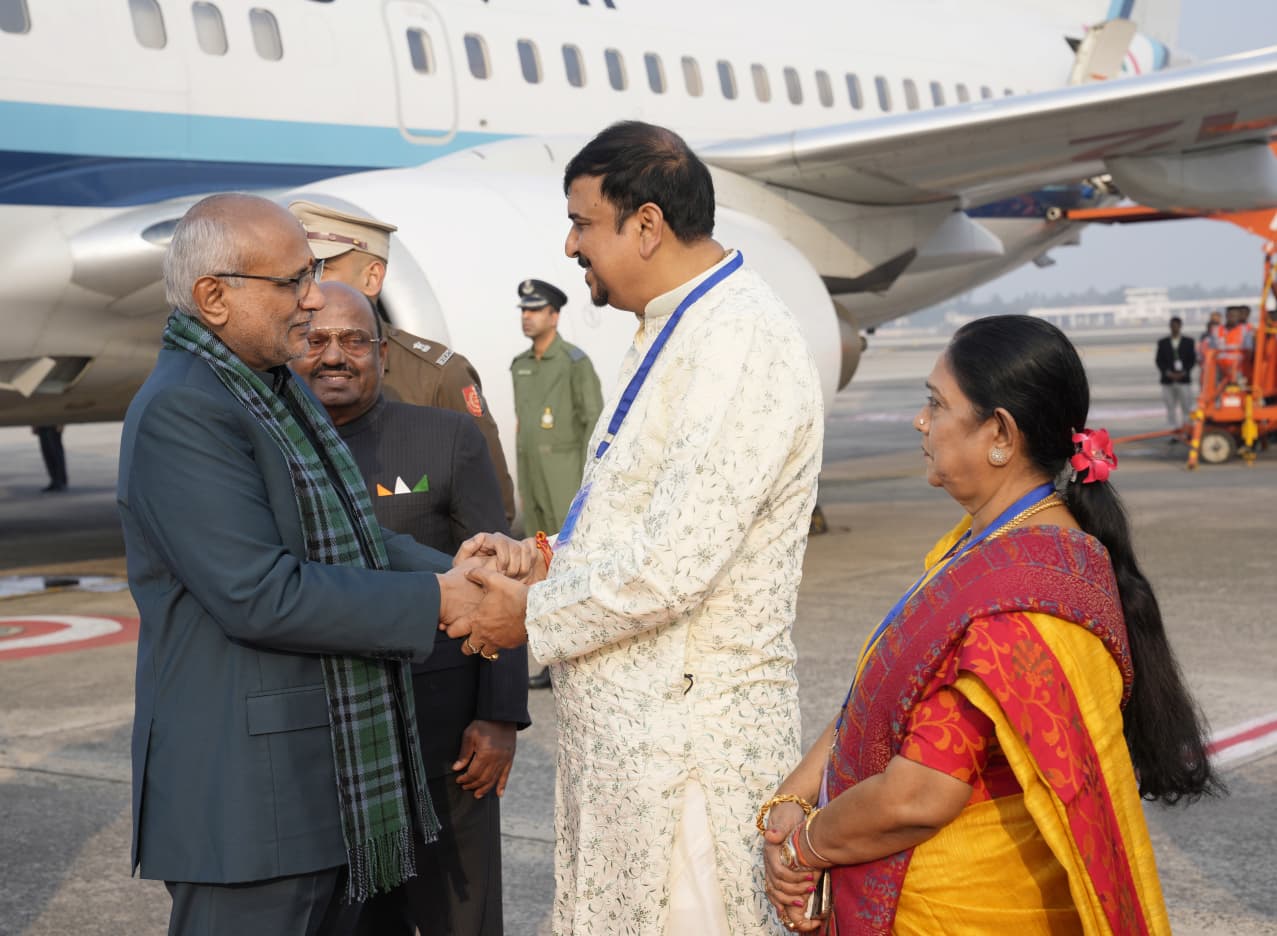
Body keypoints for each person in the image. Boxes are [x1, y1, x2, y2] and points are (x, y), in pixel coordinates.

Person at [447, 121, 826, 935]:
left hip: (689, 755)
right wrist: (539, 558)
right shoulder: (673, 323)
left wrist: (523, 617)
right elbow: (634, 520)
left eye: (583, 222)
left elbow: (673, 565)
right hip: (631, 750)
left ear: (645, 224)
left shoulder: (740, 341)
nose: (570, 243)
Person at [117, 193, 524, 936]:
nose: (311, 301)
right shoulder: (187, 408)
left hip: (321, 789)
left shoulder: (265, 392)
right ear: (214, 296)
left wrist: (462, 570)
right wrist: (445, 600)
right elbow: (259, 592)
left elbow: (348, 533)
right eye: (292, 283)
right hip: (250, 807)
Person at [760, 315, 1219, 935]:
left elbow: (918, 795)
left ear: (1000, 434)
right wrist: (795, 793)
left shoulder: (1018, 607)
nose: (922, 421)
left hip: (959, 911)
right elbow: (889, 695)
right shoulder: (992, 548)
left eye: (936, 404)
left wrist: (804, 848)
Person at [291, 281, 529, 936]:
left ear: (382, 354)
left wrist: (499, 715)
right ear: (291, 351)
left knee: (462, 913)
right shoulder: (272, 454)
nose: (333, 356)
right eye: (314, 341)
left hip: (446, 732)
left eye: (352, 341)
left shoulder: (445, 436)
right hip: (329, 734)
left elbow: (500, 577)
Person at [289, 200, 518, 525]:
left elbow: (492, 508)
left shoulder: (436, 376)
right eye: (299, 272)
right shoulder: (284, 363)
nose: (306, 287)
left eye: (319, 269)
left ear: (372, 278)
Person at [509, 277, 603, 690]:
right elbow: (524, 428)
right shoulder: (521, 365)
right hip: (535, 480)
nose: (527, 318)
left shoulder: (574, 362)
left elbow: (594, 426)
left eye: (535, 311)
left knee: (572, 568)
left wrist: (591, 487)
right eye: (524, 311)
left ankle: (582, 651)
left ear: (554, 315)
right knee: (543, 570)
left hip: (566, 479)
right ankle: (552, 656)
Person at [1155, 315, 1196, 434]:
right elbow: (1159, 360)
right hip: (1168, 380)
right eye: (1172, 326)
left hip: (1183, 380)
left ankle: (1187, 429)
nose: (1174, 328)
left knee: (1186, 406)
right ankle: (1173, 430)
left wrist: (1184, 372)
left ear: (1180, 326)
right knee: (1170, 407)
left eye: (1177, 326)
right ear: (1170, 327)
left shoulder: (1189, 342)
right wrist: (1168, 373)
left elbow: (1192, 360)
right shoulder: (1163, 343)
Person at [33, 424, 67, 491]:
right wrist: (34, 424)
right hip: (41, 424)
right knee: (47, 453)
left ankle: (60, 481)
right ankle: (54, 480)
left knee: (55, 452)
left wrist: (61, 423)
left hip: (53, 423)